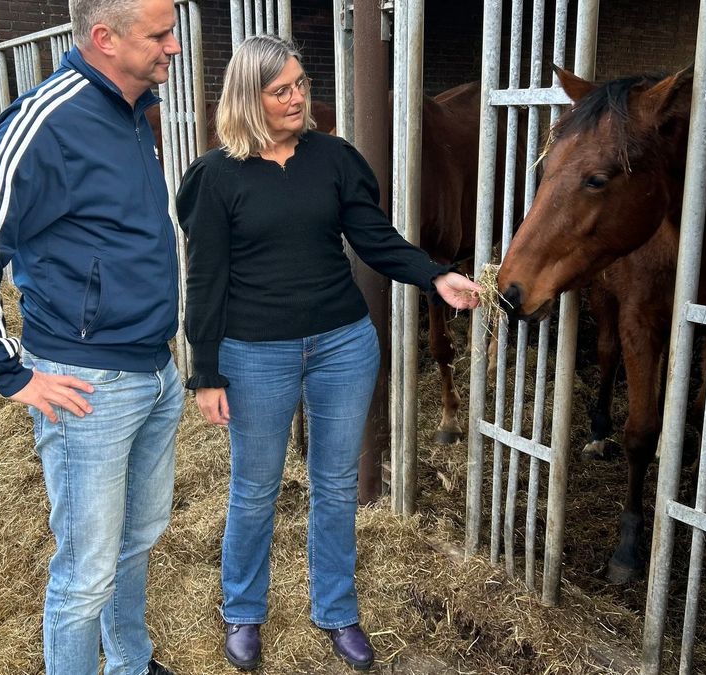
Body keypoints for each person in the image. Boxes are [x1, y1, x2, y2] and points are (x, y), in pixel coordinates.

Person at [176, 35, 483, 672]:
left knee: (337, 485)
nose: (297, 99)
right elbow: (204, 280)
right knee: (256, 487)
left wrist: (435, 275)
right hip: (255, 353)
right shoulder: (214, 178)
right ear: (248, 97)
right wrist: (205, 371)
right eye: (280, 90)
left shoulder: (334, 158)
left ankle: (337, 611)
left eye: (300, 85)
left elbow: (373, 237)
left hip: (343, 344)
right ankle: (244, 610)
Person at [0, 1, 182, 673]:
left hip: (155, 371)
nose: (175, 48)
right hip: (86, 385)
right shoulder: (48, 119)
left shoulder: (134, 113)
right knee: (86, 571)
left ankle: (129, 661)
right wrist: (12, 372)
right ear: (105, 38)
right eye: (159, 35)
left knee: (136, 540)